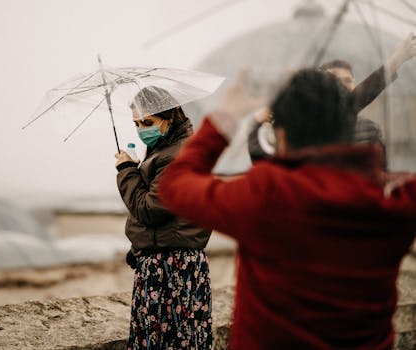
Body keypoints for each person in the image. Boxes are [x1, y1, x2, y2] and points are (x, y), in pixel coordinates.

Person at [158, 69, 416, 349]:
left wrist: (226, 118)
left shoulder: (269, 194)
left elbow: (175, 185)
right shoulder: (397, 200)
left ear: (281, 136)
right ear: (348, 127)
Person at [115, 86, 213, 349]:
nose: (141, 129)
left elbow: (151, 210)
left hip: (172, 267)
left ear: (170, 117)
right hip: (166, 262)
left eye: (147, 122)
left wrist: (126, 171)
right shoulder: (168, 149)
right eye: (136, 123)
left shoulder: (177, 155)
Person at [248, 32, 416, 161]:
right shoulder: (300, 126)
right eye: (333, 81)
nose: (341, 87)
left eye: (348, 80)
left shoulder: (369, 129)